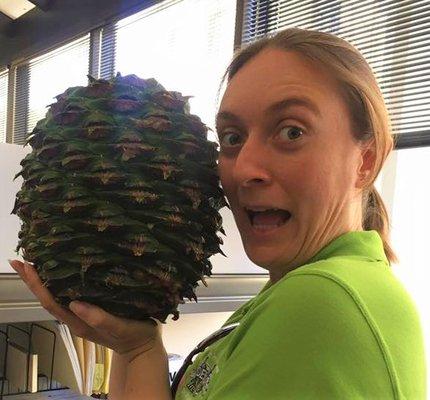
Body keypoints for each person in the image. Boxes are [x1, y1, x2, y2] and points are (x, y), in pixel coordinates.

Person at [9, 27, 426, 399]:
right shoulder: (316, 292)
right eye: (232, 137)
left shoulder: (323, 302)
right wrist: (137, 348)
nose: (243, 168)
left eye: (291, 131)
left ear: (366, 161)